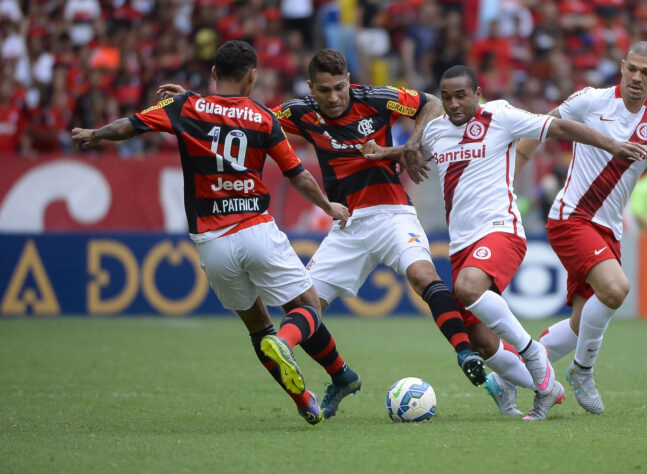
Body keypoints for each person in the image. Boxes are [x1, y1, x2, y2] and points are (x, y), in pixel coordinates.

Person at [158, 49, 491, 418]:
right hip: (346, 224)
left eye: (339, 87)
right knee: (306, 308)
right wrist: (197, 103)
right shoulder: (297, 112)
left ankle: (465, 352)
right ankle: (336, 374)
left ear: (349, 80)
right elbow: (244, 118)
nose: (333, 97)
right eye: (324, 90)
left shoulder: (377, 98)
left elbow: (429, 103)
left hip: (394, 213)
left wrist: (410, 145)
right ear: (310, 88)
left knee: (423, 276)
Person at [71, 40, 360, 426]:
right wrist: (328, 206)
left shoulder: (184, 107)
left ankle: (307, 398)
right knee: (307, 306)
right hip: (255, 228)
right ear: (252, 76)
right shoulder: (262, 117)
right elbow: (298, 175)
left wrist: (96, 134)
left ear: (213, 74)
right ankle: (299, 350)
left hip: (211, 243)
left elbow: (130, 126)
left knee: (258, 327)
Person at [365, 65, 647, 420]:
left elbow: (557, 126)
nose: (453, 104)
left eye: (461, 95)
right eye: (447, 96)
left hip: (501, 230)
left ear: (477, 94)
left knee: (468, 287)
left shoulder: (500, 115)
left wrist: (613, 144)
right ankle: (542, 389)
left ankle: (533, 356)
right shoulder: (436, 131)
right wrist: (385, 153)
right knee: (480, 342)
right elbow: (416, 154)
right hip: (461, 244)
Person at [517, 41, 647, 414]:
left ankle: (514, 372)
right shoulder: (590, 100)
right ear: (621, 66)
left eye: (646, 72)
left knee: (583, 323)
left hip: (607, 229)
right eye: (632, 68)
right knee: (616, 289)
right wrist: (511, 174)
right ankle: (582, 372)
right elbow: (542, 127)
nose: (636, 77)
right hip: (571, 218)